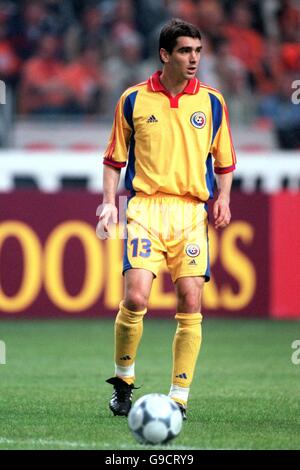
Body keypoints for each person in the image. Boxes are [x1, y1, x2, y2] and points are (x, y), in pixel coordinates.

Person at [96, 18, 236, 420]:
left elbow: (224, 161)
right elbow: (113, 159)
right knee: (135, 297)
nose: (193, 59)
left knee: (191, 300)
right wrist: (109, 202)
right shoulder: (133, 99)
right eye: (185, 51)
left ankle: (178, 398)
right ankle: (123, 382)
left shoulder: (212, 102)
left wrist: (223, 198)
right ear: (165, 55)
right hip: (144, 208)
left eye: (197, 51)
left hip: (190, 212)